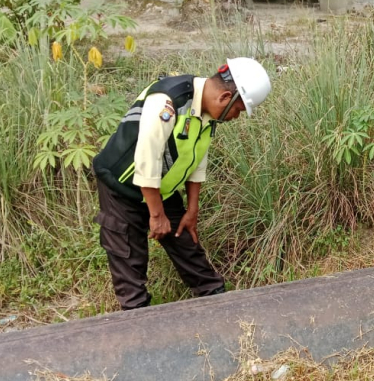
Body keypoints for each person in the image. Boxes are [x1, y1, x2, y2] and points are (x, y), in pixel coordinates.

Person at [91, 57, 271, 310]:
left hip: (161, 189)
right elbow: (147, 158)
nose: (236, 117)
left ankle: (217, 301)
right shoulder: (168, 101)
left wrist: (192, 210)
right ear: (225, 96)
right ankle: (136, 319)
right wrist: (156, 214)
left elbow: (197, 159)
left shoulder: (207, 114)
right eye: (238, 111)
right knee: (129, 258)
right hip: (121, 186)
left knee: (187, 244)